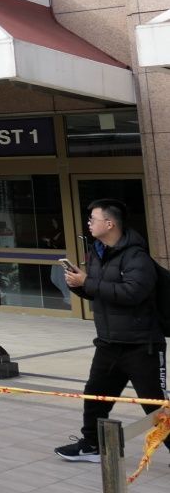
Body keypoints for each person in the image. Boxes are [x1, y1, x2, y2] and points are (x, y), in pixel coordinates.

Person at [55, 198, 166, 463]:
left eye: (93, 219)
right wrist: (77, 283)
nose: (89, 223)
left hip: (141, 345)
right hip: (108, 343)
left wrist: (88, 282)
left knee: (155, 405)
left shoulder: (137, 256)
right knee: (95, 397)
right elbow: (98, 293)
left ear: (109, 223)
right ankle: (93, 445)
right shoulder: (97, 253)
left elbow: (133, 293)